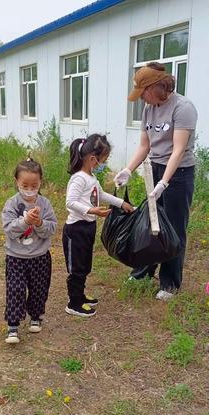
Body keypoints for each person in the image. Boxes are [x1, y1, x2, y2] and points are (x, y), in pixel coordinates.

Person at [114, 62, 198, 301]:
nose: (142, 99)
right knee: (151, 223)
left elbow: (179, 149)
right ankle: (144, 270)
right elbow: (145, 146)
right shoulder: (148, 109)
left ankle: (170, 283)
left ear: (156, 87)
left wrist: (165, 182)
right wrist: (128, 170)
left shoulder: (183, 107)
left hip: (179, 173)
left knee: (173, 227)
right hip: (155, 169)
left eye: (144, 93)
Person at [63, 134, 134, 317]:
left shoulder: (91, 177)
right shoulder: (79, 178)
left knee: (85, 264)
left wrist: (121, 203)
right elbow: (70, 202)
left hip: (88, 227)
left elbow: (101, 195)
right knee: (77, 267)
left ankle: (80, 295)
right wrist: (92, 211)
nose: (104, 163)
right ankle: (73, 302)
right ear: (93, 158)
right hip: (76, 229)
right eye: (104, 160)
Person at [2, 158, 57, 344]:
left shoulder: (45, 204)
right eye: (25, 184)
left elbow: (52, 229)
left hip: (40, 256)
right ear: (16, 181)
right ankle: (13, 326)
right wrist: (25, 221)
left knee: (39, 288)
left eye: (34, 185)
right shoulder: (11, 204)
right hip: (15, 256)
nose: (29, 188)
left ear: (41, 182)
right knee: (15, 289)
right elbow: (9, 229)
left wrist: (39, 222)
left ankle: (36, 316)